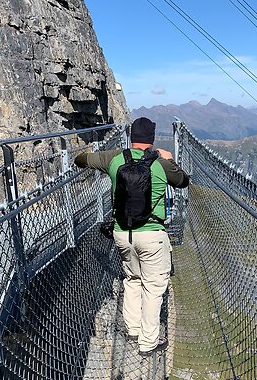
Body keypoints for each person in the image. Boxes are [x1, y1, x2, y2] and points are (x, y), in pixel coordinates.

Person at [75, 117, 190, 355]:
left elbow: (81, 160)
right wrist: (170, 160)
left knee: (132, 279)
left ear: (131, 136)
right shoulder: (161, 163)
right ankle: (148, 342)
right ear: (152, 139)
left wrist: (108, 154)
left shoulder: (115, 159)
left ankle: (133, 329)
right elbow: (183, 181)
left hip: (122, 234)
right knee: (153, 288)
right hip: (152, 235)